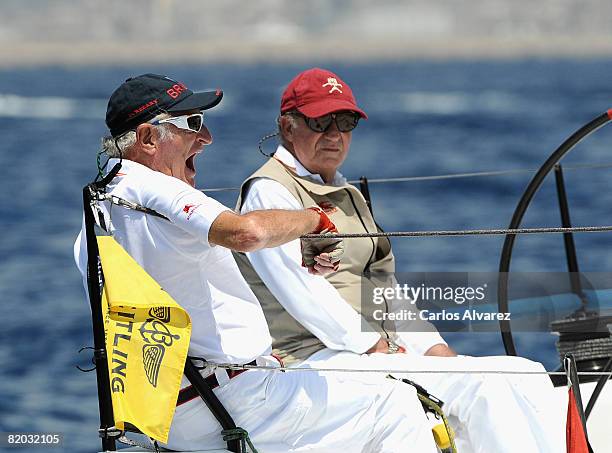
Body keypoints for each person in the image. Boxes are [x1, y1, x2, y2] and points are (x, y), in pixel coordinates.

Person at [74, 73, 439, 452]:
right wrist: (315, 220)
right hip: (232, 400)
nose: (206, 138)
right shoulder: (158, 188)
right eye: (192, 125)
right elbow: (245, 232)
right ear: (149, 138)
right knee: (397, 403)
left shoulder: (95, 215)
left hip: (167, 411)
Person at [236, 67, 567, 453]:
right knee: (482, 386)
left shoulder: (341, 190)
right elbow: (303, 293)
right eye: (320, 120)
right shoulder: (270, 193)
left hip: (371, 350)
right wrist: (372, 345)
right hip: (317, 358)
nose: (334, 134)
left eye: (344, 121)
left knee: (526, 373)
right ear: (288, 127)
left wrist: (432, 346)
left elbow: (383, 285)